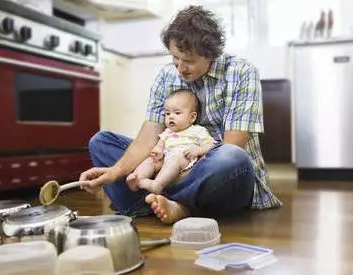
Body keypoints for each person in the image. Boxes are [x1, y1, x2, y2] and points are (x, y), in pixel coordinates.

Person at [79, 5, 282, 224]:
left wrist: (173, 171)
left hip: (215, 170)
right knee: (101, 142)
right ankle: (165, 200)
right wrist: (114, 172)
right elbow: (149, 137)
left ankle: (174, 204)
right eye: (175, 58)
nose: (180, 68)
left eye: (189, 61)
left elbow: (234, 144)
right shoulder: (166, 75)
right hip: (167, 165)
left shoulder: (242, 72)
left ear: (210, 54)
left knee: (231, 157)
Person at [126, 89, 217, 195]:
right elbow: (160, 144)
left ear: (192, 117)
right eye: (167, 113)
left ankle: (157, 185)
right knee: (151, 161)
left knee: (174, 160)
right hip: (166, 159)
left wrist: (198, 150)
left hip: (184, 160)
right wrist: (157, 151)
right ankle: (137, 179)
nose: (171, 116)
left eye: (177, 113)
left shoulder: (197, 130)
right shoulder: (167, 132)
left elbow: (211, 145)